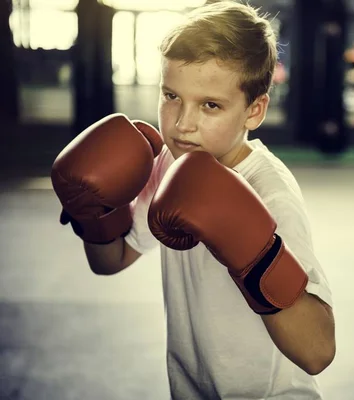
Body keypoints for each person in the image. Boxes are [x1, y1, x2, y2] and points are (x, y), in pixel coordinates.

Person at [50, 1, 336, 399]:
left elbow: (317, 351)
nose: (183, 124)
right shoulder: (168, 164)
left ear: (254, 111)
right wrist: (94, 214)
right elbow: (109, 262)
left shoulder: (269, 191)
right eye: (171, 96)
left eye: (210, 105)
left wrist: (252, 252)